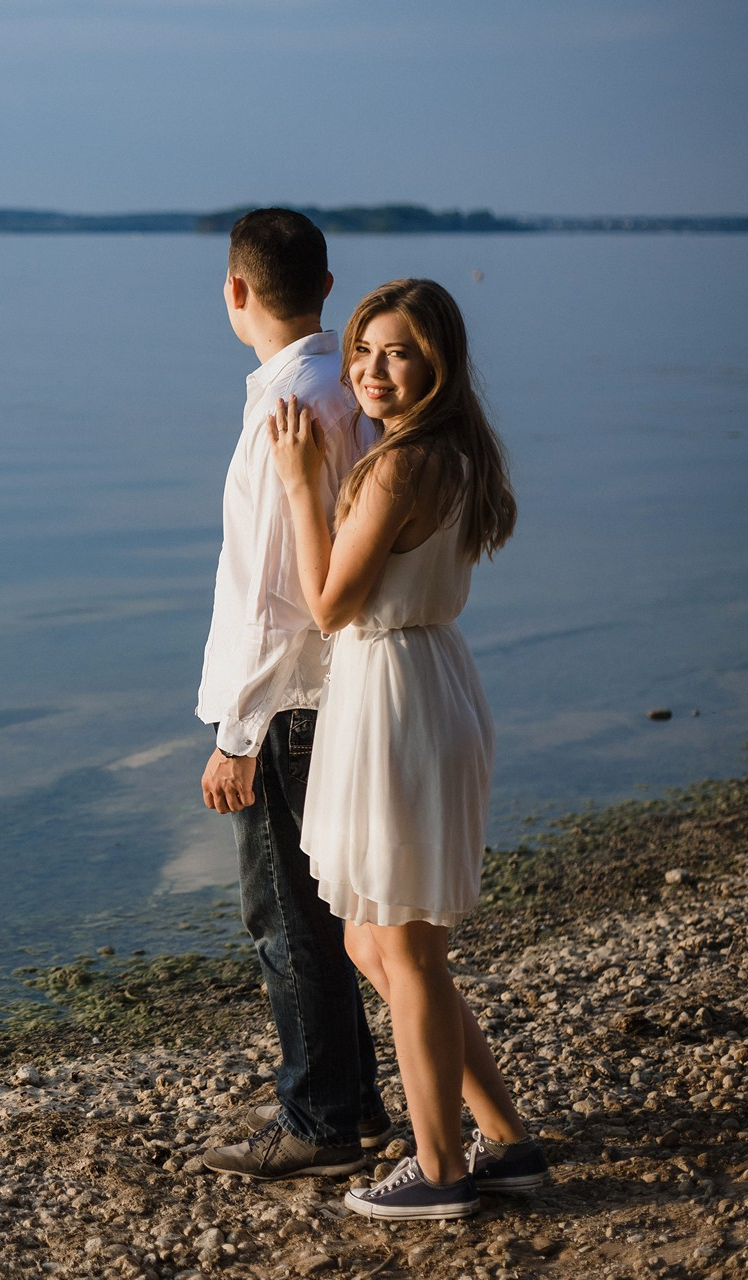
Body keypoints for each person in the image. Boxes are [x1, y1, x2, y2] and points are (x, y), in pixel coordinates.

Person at [266, 277, 548, 1220]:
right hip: (420, 681)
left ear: (436, 364)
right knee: (372, 939)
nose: (372, 370)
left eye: (398, 353)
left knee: (408, 948)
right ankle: (505, 1141)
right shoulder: (454, 455)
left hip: (395, 694)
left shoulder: (400, 467)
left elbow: (330, 603)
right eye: (364, 350)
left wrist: (305, 486)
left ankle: (439, 1170)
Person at [194, 209, 389, 1181]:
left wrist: (237, 732)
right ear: (324, 282)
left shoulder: (294, 400)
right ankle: (354, 1103)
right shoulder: (342, 386)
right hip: (340, 691)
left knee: (287, 920)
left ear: (237, 290)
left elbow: (277, 597)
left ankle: (320, 1123)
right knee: (325, 917)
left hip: (290, 705)